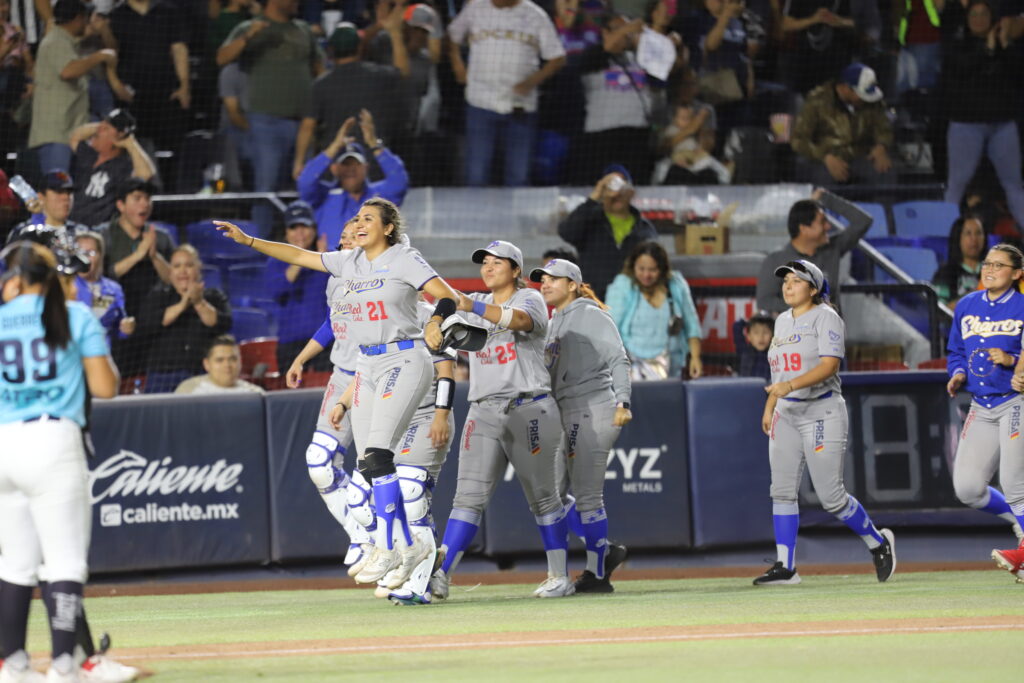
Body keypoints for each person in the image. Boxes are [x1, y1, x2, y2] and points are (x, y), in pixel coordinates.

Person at [214, 197, 462, 594]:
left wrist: (436, 319)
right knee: (368, 463)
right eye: (357, 218)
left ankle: (389, 545)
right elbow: (296, 253)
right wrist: (248, 241)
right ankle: (406, 545)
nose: (359, 224)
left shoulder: (404, 257)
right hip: (365, 365)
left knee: (380, 456)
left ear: (388, 228)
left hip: (403, 355)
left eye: (368, 219)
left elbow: (449, 296)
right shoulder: (349, 264)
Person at [0, 240, 120, 681]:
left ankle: (11, 664)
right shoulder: (73, 314)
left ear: (13, 279)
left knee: (14, 563)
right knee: (64, 561)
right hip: (53, 440)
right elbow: (106, 388)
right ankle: (65, 665)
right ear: (52, 277)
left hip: (4, 442)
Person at [430, 240, 574, 600]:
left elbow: (522, 322)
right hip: (483, 409)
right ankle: (440, 577)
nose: (489, 267)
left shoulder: (529, 299)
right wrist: (435, 319)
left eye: (498, 262)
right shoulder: (473, 305)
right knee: (467, 497)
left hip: (529, 406)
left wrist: (471, 304)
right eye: (485, 262)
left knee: (544, 497)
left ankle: (559, 576)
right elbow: (440, 327)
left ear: (515, 271)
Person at [755, 259, 896, 585]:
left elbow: (830, 365)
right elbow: (779, 374)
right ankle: (786, 567)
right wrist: (771, 403)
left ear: (814, 288)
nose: (788, 285)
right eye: (785, 280)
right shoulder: (781, 322)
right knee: (782, 490)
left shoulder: (827, 317)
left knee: (832, 497)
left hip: (821, 410)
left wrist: (787, 387)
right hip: (786, 413)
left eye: (796, 280)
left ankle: (878, 542)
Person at [532, 257, 630, 592]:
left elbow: (618, 357)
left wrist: (624, 400)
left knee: (587, 496)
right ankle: (605, 551)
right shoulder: (555, 319)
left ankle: (597, 573)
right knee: (551, 494)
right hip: (566, 411)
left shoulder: (588, 313)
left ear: (573, 284)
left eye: (553, 279)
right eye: (542, 279)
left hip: (594, 407)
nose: (545, 283)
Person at [946, 244, 1024, 581]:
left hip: (1015, 401)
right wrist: (957, 372)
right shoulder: (966, 305)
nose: (989, 269)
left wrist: (1011, 361)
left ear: (1017, 273)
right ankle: (1020, 526)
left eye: (999, 265)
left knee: (1014, 484)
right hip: (982, 404)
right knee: (967, 487)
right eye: (987, 263)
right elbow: (956, 350)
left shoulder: (1022, 306)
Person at [218, 0, 324, 235]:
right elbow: (222, 58)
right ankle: (260, 246)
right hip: (265, 123)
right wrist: (248, 37)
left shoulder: (303, 29)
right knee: (266, 190)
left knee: (307, 187)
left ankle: (312, 247)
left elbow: (320, 69)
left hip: (303, 124)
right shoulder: (250, 27)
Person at [448, 0, 567, 186]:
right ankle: (476, 216)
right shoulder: (476, 8)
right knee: (476, 174)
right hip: (481, 102)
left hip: (520, 107)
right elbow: (452, 36)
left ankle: (516, 216)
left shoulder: (535, 14)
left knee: (518, 176)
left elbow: (557, 57)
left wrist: (532, 81)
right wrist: (457, 64)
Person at [940, 0, 1024, 229]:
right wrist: (987, 49)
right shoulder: (958, 43)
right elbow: (962, 68)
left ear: (992, 18)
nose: (978, 19)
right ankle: (944, 236)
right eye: (974, 15)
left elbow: (1018, 73)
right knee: (957, 184)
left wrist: (1004, 45)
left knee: (1014, 185)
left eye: (984, 15)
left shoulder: (1005, 46)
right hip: (967, 125)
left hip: (1002, 124)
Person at [293, 22, 406, 180]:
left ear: (330, 51)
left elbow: (307, 126)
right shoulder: (379, 75)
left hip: (337, 164)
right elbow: (404, 71)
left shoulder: (321, 84)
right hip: (372, 163)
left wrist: (299, 163)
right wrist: (395, 33)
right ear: (359, 48)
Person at [28, 0, 117, 175]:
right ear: (78, 19)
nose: (87, 23)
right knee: (59, 188)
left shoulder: (64, 41)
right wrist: (99, 56)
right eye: (85, 19)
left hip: (67, 132)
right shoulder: (56, 41)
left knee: (69, 191)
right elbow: (68, 71)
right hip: (55, 135)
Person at [296, 111, 409, 248]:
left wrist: (374, 144)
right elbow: (305, 182)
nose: (351, 170)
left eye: (356, 164)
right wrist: (335, 146)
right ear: (335, 169)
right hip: (331, 266)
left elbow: (399, 181)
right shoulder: (323, 197)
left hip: (372, 264)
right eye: (345, 164)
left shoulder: (379, 197)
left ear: (366, 168)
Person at [755, 189, 871, 313]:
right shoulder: (776, 261)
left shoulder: (833, 248)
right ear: (804, 229)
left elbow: (863, 221)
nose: (828, 226)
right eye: (822, 222)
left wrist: (825, 198)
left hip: (832, 331)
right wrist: (807, 306)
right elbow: (765, 301)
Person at [136, 245, 232, 393]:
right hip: (162, 377)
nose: (183, 271)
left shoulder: (213, 296)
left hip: (200, 375)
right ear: (170, 272)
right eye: (177, 266)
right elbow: (149, 323)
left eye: (189, 265)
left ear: (199, 269)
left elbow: (222, 322)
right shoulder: (158, 296)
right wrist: (183, 303)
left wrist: (199, 302)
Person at [557, 165, 658, 300]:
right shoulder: (588, 222)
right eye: (609, 185)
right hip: (593, 303)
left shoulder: (644, 228)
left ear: (631, 191)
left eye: (621, 185)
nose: (616, 194)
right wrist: (594, 197)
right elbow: (566, 232)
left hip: (631, 303)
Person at [605, 241, 703, 380]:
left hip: (670, 366)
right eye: (641, 269)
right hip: (630, 367)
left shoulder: (676, 284)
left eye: (652, 270)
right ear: (633, 267)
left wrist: (695, 357)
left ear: (662, 269)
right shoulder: (622, 285)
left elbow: (692, 324)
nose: (646, 275)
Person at [791, 62, 895, 186]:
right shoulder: (817, 101)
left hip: (860, 155)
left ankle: (883, 206)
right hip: (825, 158)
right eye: (861, 95)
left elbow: (883, 128)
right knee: (823, 177)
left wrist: (881, 147)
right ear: (846, 88)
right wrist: (825, 157)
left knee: (885, 171)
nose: (865, 99)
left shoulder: (873, 101)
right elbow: (798, 140)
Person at [108, 0, 190, 151]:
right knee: (133, 148)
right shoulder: (117, 15)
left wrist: (184, 86)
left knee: (171, 149)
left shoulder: (169, 11)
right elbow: (110, 54)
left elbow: (179, 49)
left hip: (166, 92)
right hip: (131, 95)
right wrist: (116, 85)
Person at [264, 200, 330, 373]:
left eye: (305, 226)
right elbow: (276, 291)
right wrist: (299, 260)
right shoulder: (276, 260)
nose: (299, 233)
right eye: (294, 227)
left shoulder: (328, 260)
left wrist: (323, 262)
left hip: (325, 343)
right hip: (290, 346)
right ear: (286, 232)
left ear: (314, 230)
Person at [67, 108, 157, 228]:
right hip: (71, 223)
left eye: (106, 128)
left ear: (119, 137)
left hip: (97, 230)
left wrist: (130, 143)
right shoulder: (89, 155)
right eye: (101, 123)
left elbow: (146, 174)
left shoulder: (123, 166)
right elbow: (75, 136)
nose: (98, 129)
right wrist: (101, 126)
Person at [74, 230, 134, 347]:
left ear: (100, 255)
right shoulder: (65, 287)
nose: (84, 258)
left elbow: (119, 327)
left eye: (90, 253)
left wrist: (127, 328)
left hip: (101, 355)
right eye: (80, 252)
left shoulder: (113, 289)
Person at [7, 170, 90, 250]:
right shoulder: (23, 232)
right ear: (41, 197)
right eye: (59, 191)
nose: (66, 197)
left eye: (69, 192)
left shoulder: (82, 232)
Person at [174, 334, 264, 395]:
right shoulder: (188, 390)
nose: (227, 365)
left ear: (240, 361)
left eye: (233, 359)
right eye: (220, 360)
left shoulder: (256, 394)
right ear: (207, 364)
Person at [932, 214, 988, 307]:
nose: (974, 239)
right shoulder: (945, 274)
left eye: (978, 233)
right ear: (958, 238)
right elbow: (940, 311)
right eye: (968, 233)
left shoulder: (995, 272)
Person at [734, 310, 773, 381]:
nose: (761, 337)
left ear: (772, 335)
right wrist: (748, 322)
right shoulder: (744, 351)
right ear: (748, 336)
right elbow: (736, 326)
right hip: (747, 390)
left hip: (769, 390)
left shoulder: (774, 353)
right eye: (756, 332)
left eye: (766, 332)